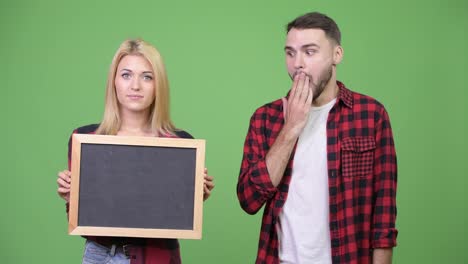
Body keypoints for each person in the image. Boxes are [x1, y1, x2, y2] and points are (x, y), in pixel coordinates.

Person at [237, 12, 397, 264]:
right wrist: (290, 128)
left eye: (309, 52)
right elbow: (249, 200)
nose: (297, 63)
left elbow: (384, 214)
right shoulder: (265, 118)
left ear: (337, 55)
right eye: (290, 53)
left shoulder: (371, 115)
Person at [56, 39, 215, 264]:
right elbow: (89, 217)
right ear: (114, 82)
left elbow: (175, 214)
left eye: (147, 76)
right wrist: (72, 197)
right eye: (126, 75)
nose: (135, 86)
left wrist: (194, 197)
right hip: (100, 255)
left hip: (156, 255)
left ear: (158, 85)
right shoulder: (87, 141)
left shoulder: (180, 145)